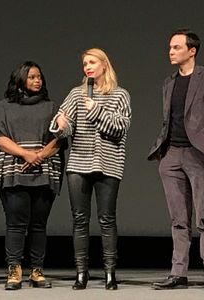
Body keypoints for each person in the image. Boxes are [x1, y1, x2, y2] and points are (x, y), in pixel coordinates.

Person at [148, 29, 204, 291]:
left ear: (191, 50)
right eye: (170, 47)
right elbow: (167, 119)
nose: (171, 52)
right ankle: (178, 272)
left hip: (198, 154)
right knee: (178, 218)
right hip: (171, 154)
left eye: (176, 47)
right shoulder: (169, 82)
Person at [50, 48, 131, 290]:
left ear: (104, 64)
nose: (87, 67)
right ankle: (81, 272)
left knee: (107, 219)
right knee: (79, 219)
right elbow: (65, 125)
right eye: (85, 63)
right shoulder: (76, 94)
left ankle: (109, 272)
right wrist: (60, 124)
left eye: (92, 62)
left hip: (109, 163)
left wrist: (96, 110)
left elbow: (120, 128)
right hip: (79, 163)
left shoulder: (120, 95)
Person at [0, 61, 65, 290]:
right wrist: (26, 154)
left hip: (44, 172)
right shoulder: (4, 106)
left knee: (38, 224)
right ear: (20, 80)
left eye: (40, 77)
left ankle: (37, 270)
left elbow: (59, 139)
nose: (38, 81)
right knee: (16, 224)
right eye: (33, 77)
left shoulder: (50, 106)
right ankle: (14, 270)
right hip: (14, 171)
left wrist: (40, 155)